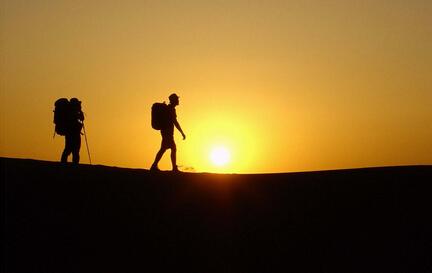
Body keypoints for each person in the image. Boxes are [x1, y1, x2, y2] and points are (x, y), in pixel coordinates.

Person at [151, 93, 186, 172]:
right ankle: (173, 168)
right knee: (173, 148)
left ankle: (154, 165)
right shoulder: (171, 110)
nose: (178, 101)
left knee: (163, 149)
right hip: (167, 133)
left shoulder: (169, 109)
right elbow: (175, 122)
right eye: (177, 99)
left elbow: (174, 122)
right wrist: (182, 132)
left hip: (166, 132)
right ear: (173, 100)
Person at [61, 98, 84, 164]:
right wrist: (79, 111)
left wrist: (80, 111)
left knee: (70, 150)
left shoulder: (72, 112)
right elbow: (82, 118)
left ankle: (65, 164)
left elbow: (82, 118)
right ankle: (72, 165)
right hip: (73, 134)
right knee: (72, 150)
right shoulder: (71, 112)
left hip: (71, 134)